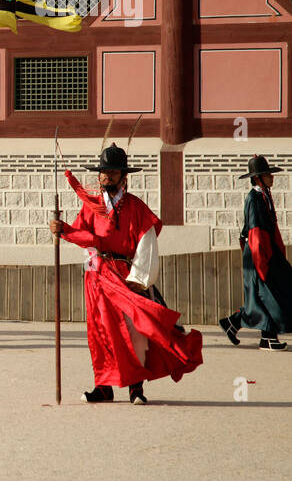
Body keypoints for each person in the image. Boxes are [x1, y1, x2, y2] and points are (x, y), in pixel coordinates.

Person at [49, 144, 203, 403]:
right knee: (99, 331)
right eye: (102, 171)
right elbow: (84, 235)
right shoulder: (92, 205)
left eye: (112, 171)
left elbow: (147, 240)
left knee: (133, 329)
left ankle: (136, 387)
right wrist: (62, 229)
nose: (105, 176)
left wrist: (140, 279)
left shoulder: (135, 207)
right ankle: (104, 385)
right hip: (96, 275)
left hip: (124, 275)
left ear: (123, 175)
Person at [219, 155, 290, 350]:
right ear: (258, 178)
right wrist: (262, 263)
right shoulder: (254, 198)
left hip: (269, 251)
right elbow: (255, 232)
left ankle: (233, 323)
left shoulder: (264, 196)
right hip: (259, 253)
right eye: (267, 174)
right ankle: (266, 338)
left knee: (273, 293)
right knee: (267, 296)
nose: (271, 177)